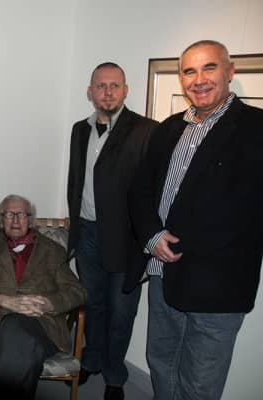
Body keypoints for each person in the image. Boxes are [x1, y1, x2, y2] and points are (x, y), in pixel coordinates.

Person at [125, 40, 263, 400]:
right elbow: (140, 189)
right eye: (189, 71)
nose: (199, 79)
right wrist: (151, 235)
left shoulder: (260, 128)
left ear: (230, 71)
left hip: (218, 286)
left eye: (209, 67)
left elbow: (237, 210)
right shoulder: (169, 128)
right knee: (161, 364)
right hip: (162, 275)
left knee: (200, 384)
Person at [67, 62, 158, 400]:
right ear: (90, 92)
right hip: (87, 234)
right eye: (101, 86)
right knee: (93, 304)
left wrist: (146, 242)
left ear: (125, 90)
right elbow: (76, 182)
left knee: (122, 312)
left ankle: (115, 376)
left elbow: (153, 190)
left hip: (126, 241)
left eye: (114, 85)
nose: (108, 92)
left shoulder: (146, 130)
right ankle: (91, 359)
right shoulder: (80, 130)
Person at [0, 194, 87, 400]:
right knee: (23, 340)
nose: (15, 219)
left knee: (23, 342)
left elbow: (78, 291)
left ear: (30, 219)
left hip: (44, 327)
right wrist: (2, 300)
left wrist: (49, 304)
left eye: (21, 214)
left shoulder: (53, 250)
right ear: (1, 219)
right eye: (9, 214)